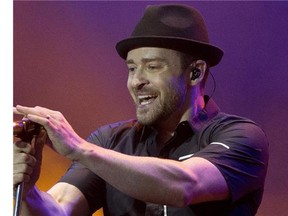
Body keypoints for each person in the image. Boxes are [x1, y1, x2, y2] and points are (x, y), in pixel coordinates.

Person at [13, 4, 269, 216]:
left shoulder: (242, 136)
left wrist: (80, 150)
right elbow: (58, 210)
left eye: (153, 67)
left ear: (195, 72)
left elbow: (186, 185)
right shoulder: (110, 141)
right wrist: (27, 189)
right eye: (132, 68)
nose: (136, 81)